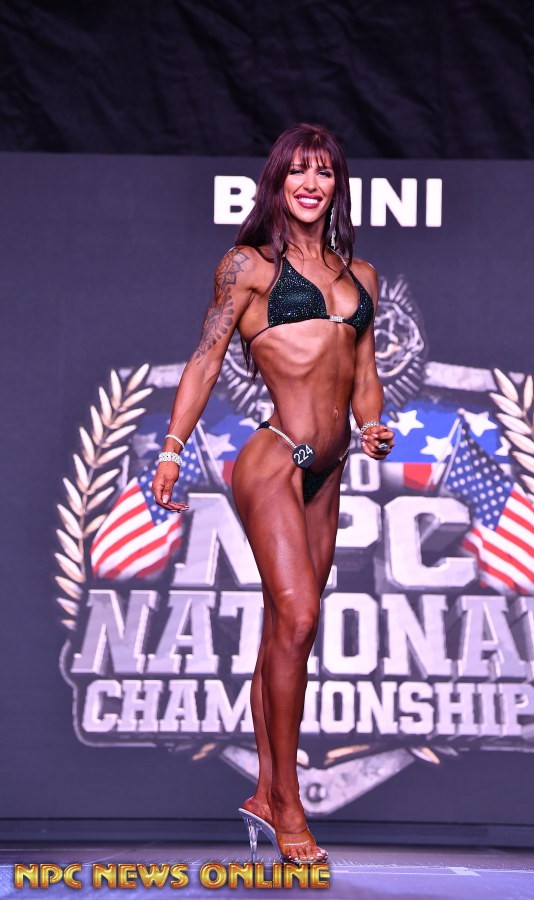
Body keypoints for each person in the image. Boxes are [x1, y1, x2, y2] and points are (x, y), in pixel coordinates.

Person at [152, 123, 395, 863]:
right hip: (274, 460)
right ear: (278, 183)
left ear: (337, 184)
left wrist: (373, 425)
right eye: (298, 171)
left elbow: (363, 375)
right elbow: (204, 359)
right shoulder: (248, 266)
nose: (311, 184)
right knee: (298, 615)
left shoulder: (363, 277)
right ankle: (288, 803)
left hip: (330, 470)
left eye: (324, 172)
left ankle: (264, 789)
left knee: (290, 634)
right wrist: (172, 448)